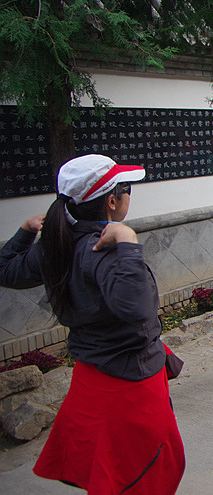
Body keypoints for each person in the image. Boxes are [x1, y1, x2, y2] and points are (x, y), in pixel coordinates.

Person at [0, 154, 185, 493]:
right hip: (129, 384)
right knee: (144, 473)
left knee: (109, 471)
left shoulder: (56, 244)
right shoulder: (104, 248)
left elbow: (6, 270)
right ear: (112, 202)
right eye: (126, 190)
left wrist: (25, 232)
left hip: (93, 374)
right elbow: (138, 309)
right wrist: (128, 242)